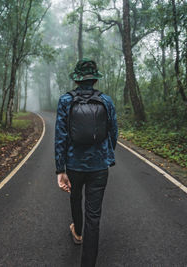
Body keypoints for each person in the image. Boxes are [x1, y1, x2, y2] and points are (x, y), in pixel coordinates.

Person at [54, 58, 118, 267]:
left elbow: (60, 136)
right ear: (94, 79)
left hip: (74, 164)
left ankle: (78, 233)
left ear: (78, 79)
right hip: (99, 166)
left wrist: (60, 169)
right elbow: (113, 133)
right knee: (94, 215)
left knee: (74, 197)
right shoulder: (106, 101)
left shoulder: (66, 100)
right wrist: (106, 154)